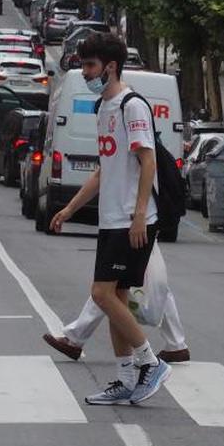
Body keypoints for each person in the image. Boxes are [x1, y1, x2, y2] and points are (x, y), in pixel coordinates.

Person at [49, 32, 172, 405]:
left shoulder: (131, 106)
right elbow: (105, 169)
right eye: (83, 65)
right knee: (115, 296)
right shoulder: (104, 107)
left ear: (111, 67)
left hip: (130, 220)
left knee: (102, 293)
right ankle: (125, 378)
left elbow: (147, 160)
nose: (85, 73)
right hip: (111, 219)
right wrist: (70, 208)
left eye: (90, 66)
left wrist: (138, 215)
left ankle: (150, 363)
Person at [44, 243, 190, 363]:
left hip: (134, 227)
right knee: (153, 286)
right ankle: (176, 344)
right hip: (137, 224)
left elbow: (142, 207)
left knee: (109, 286)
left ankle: (74, 339)